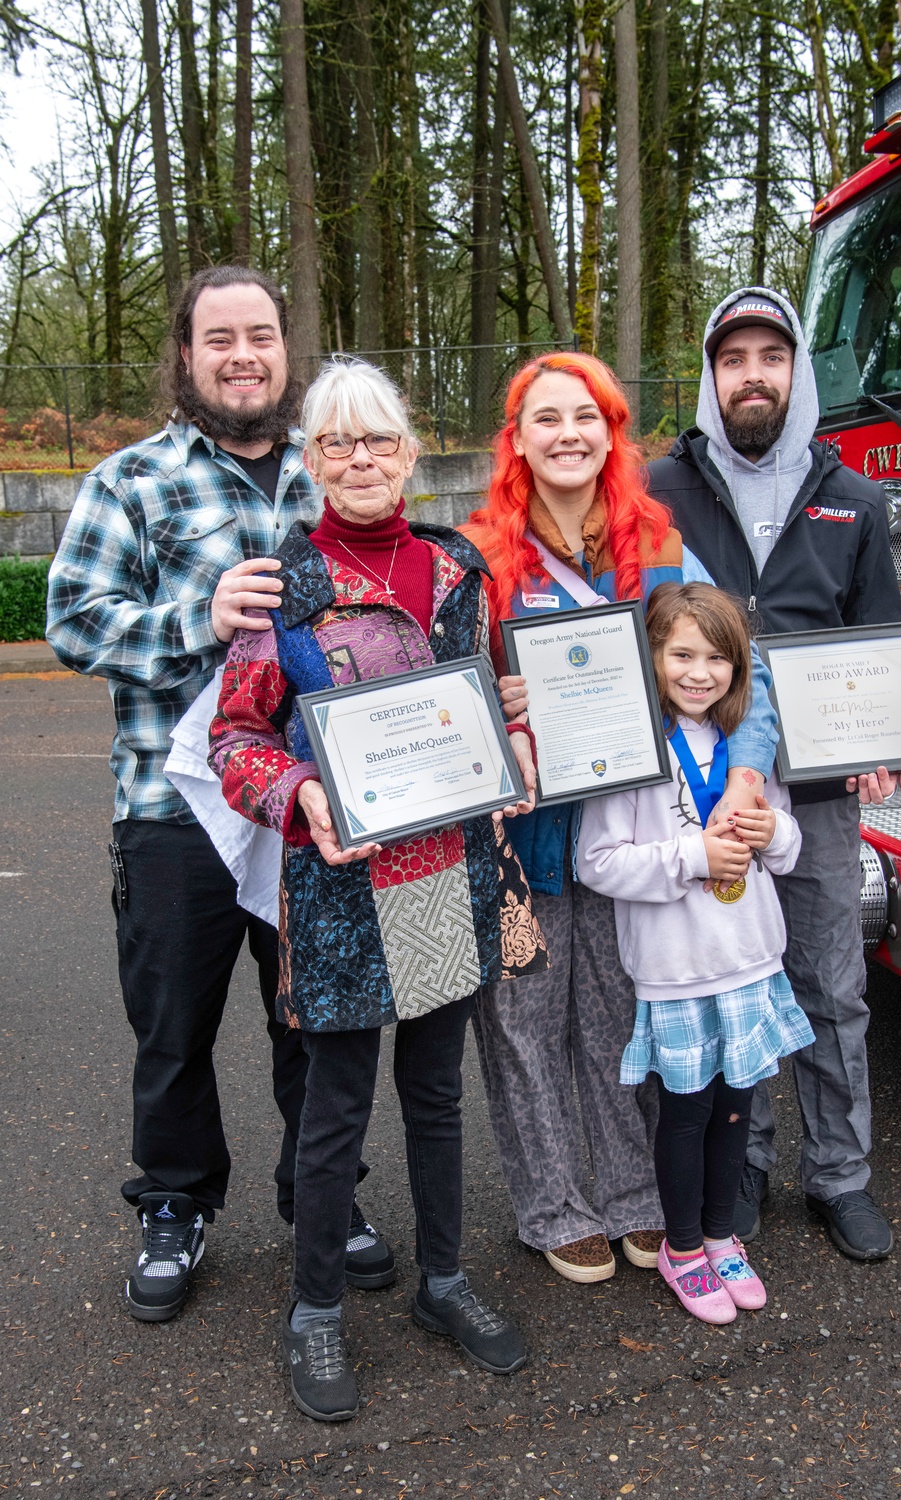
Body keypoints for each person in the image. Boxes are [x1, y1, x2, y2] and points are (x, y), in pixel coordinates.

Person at [45, 267, 394, 1323]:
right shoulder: (132, 481)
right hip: (174, 812)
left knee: (313, 1017)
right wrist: (196, 614)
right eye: (219, 339)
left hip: (315, 809)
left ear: (286, 349)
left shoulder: (332, 472)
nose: (243, 356)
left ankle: (317, 1192)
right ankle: (175, 1203)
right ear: (187, 356)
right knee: (172, 1027)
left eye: (261, 336)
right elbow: (73, 621)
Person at [209, 357, 546, 1422]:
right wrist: (298, 791)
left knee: (440, 1094)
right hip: (343, 882)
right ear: (311, 461)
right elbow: (233, 736)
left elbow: (491, 701)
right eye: (336, 442)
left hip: (445, 868)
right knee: (333, 1110)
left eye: (379, 439)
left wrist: (517, 732)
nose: (360, 459)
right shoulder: (284, 583)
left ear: (410, 451)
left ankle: (442, 1283)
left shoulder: (456, 571)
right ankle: (313, 1314)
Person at [461, 351, 780, 1284]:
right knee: (523, 1031)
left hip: (635, 831)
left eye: (587, 417)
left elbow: (738, 667)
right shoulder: (477, 556)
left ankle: (640, 1195)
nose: (569, 435)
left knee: (618, 1018)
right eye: (546, 419)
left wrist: (746, 777)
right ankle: (555, 1206)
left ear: (613, 432)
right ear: (516, 441)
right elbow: (439, 695)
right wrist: (496, 698)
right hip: (520, 837)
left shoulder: (661, 542)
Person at [647, 287, 901, 1261]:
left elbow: (876, 639)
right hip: (702, 786)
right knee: (734, 982)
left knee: (831, 989)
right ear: (711, 378)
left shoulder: (856, 499)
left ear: (795, 371)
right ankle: (742, 1163)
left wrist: (877, 737)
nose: (751, 372)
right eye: (732, 357)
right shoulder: (658, 492)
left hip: (816, 795)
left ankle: (839, 1177)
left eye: (770, 355)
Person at [577, 582, 813, 1324]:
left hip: (749, 963)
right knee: (685, 1114)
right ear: (650, 656)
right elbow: (599, 862)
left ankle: (722, 1235)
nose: (699, 673)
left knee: (737, 1109)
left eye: (717, 658)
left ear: (739, 670)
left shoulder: (749, 750)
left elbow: (790, 846)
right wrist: (691, 855)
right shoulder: (632, 749)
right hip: (676, 973)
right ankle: (682, 1249)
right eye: (681, 654)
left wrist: (773, 835)